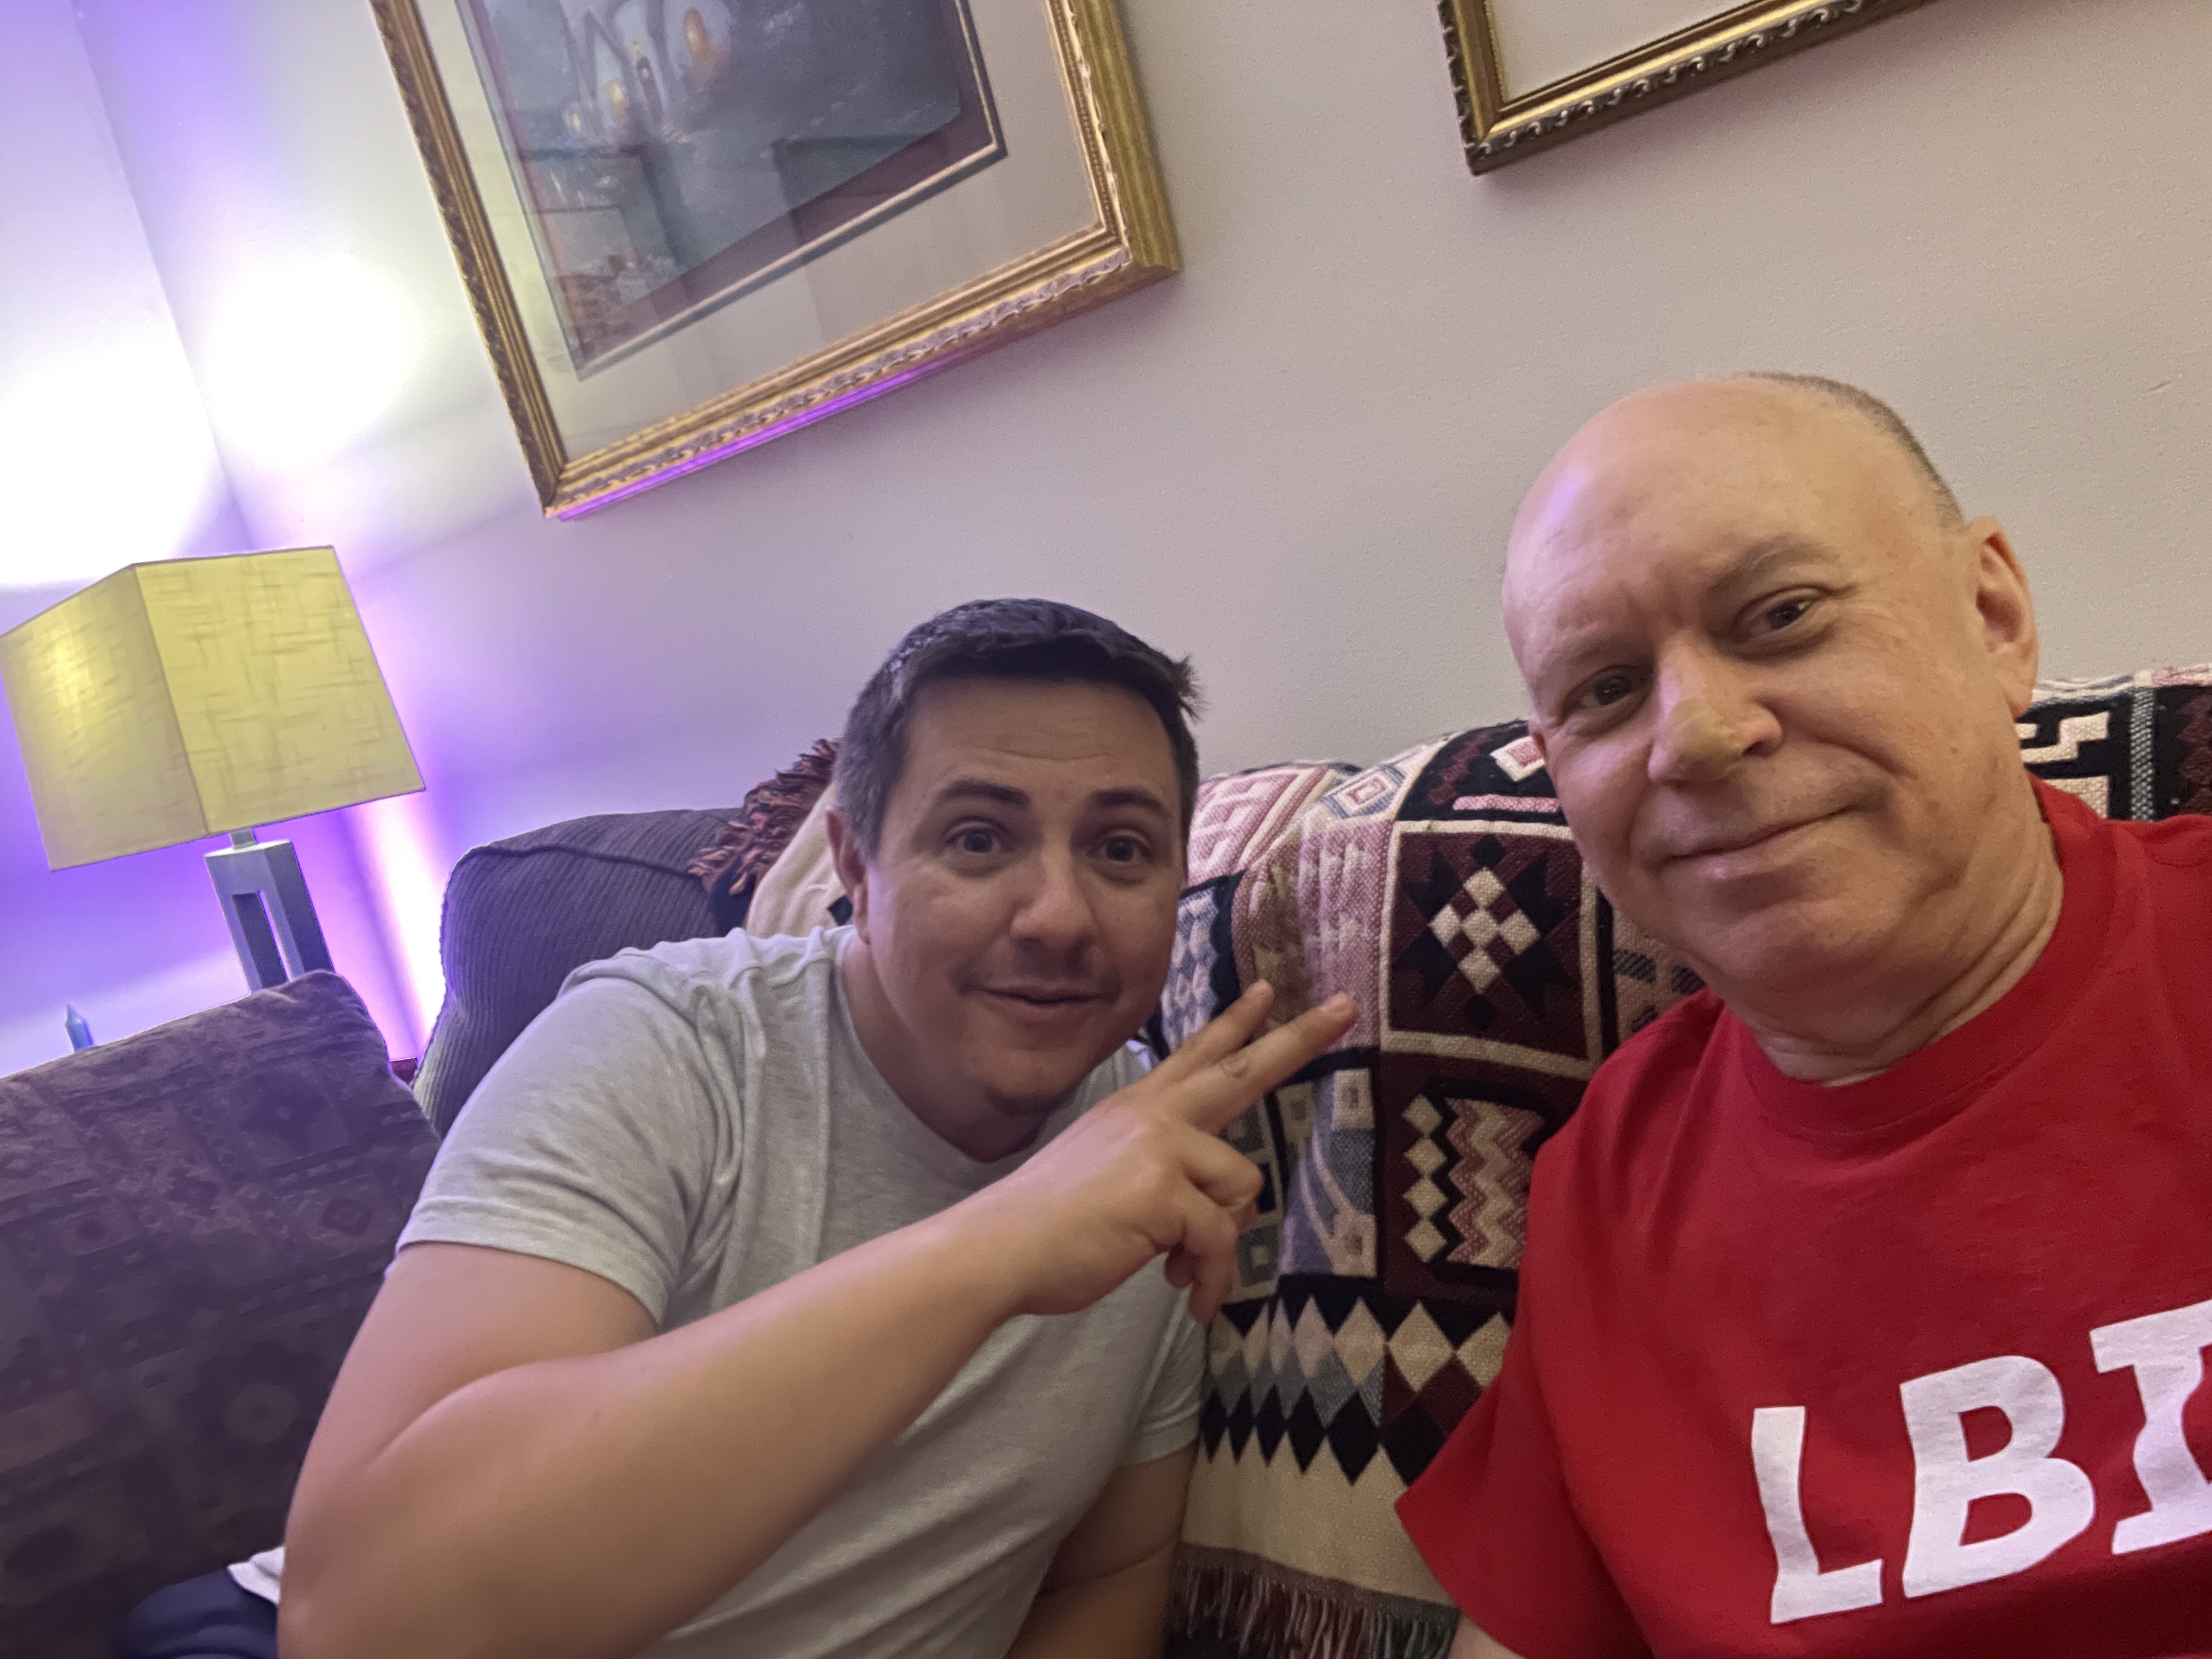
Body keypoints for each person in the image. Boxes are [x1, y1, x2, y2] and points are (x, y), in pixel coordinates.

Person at [261, 597, 1356, 1659]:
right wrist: (1005, 1242)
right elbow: (365, 1621)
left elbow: (1106, 1576)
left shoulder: (1154, 1158)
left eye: (1120, 850)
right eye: (979, 840)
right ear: (854, 869)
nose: (1060, 916)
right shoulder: (658, 1049)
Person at [1396, 376, 2212, 1657]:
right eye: (1605, 690)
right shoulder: (1608, 1179)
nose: (1699, 736)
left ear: (1993, 617)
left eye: (1781, 616)